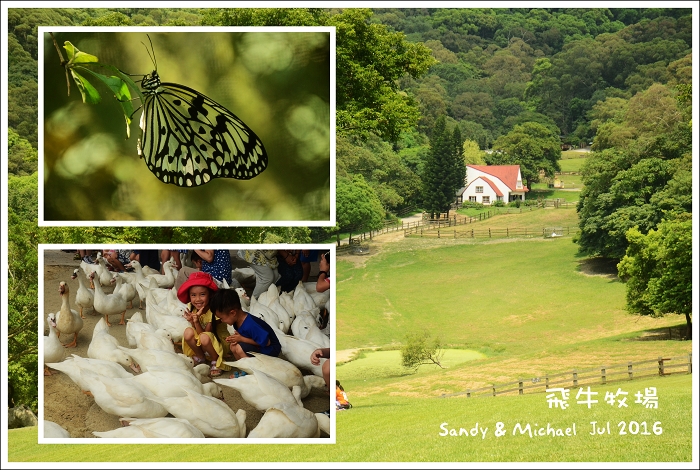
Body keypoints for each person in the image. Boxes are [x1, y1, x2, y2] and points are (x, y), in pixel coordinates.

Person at [209, 288, 282, 365]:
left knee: (239, 348)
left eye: (222, 318)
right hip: (260, 345)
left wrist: (241, 339)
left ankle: (253, 370)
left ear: (233, 313)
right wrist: (237, 338)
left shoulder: (250, 324)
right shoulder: (237, 321)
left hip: (270, 350)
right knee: (233, 346)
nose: (222, 321)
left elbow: (267, 342)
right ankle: (243, 368)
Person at [177, 271, 230, 378]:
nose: (197, 299)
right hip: (206, 342)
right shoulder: (192, 307)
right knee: (188, 332)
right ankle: (201, 356)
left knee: (204, 337)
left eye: (202, 294)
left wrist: (196, 321)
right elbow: (196, 332)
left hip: (219, 342)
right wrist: (192, 322)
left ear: (210, 295)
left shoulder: (214, 310)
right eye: (193, 295)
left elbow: (204, 335)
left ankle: (215, 360)